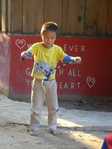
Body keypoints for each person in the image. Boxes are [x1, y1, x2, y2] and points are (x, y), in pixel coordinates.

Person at [21, 21, 81, 135]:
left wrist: (74, 59)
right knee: (36, 106)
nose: (49, 40)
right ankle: (34, 127)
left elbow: (65, 58)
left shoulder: (57, 49)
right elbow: (28, 53)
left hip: (51, 82)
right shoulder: (36, 47)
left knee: (53, 106)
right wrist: (24, 54)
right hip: (38, 82)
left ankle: (52, 126)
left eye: (52, 38)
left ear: (55, 37)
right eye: (46, 37)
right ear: (42, 36)